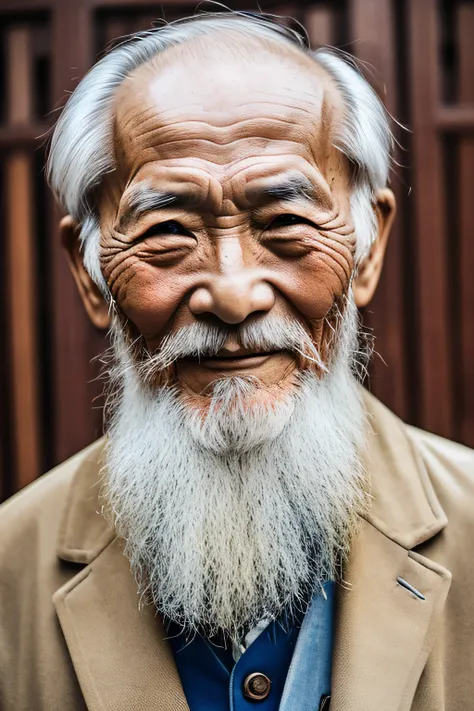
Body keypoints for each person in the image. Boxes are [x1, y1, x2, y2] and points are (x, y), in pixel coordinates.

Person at [1, 12, 473, 711]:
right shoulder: (10, 569)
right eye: (167, 232)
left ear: (368, 252)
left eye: (284, 223)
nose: (232, 293)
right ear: (90, 271)